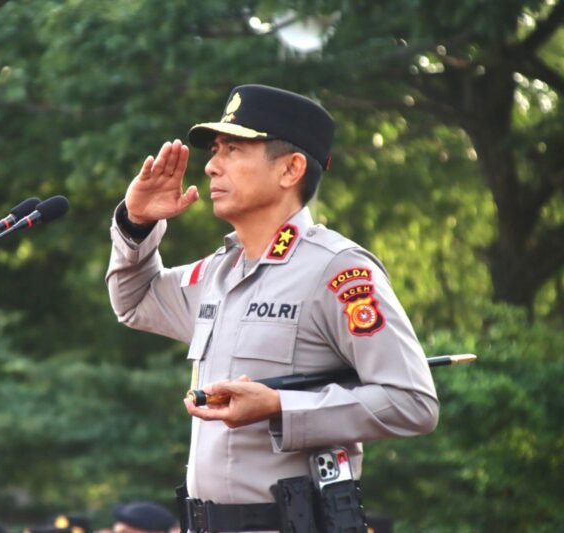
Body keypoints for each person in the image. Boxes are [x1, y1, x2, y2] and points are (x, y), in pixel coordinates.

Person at [105, 84, 439, 528]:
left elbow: (413, 402)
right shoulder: (219, 273)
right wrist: (137, 223)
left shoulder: (338, 272)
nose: (210, 166)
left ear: (291, 169)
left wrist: (281, 407)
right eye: (215, 149)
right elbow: (135, 302)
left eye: (233, 149)